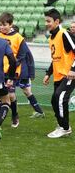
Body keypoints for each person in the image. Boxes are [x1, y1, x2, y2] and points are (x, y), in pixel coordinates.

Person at [0, 12, 45, 129]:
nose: (2, 27)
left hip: (12, 72)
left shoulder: (18, 38)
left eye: (4, 25)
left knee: (12, 95)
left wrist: (12, 66)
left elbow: (23, 55)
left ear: (11, 24)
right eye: (0, 25)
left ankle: (14, 115)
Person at [43, 8, 75, 138]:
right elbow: (55, 58)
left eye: (48, 21)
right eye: (45, 21)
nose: (46, 23)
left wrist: (73, 69)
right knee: (54, 100)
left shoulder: (64, 34)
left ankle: (64, 128)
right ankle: (62, 124)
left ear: (56, 21)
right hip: (58, 75)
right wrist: (48, 73)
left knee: (60, 97)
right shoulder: (51, 37)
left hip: (69, 74)